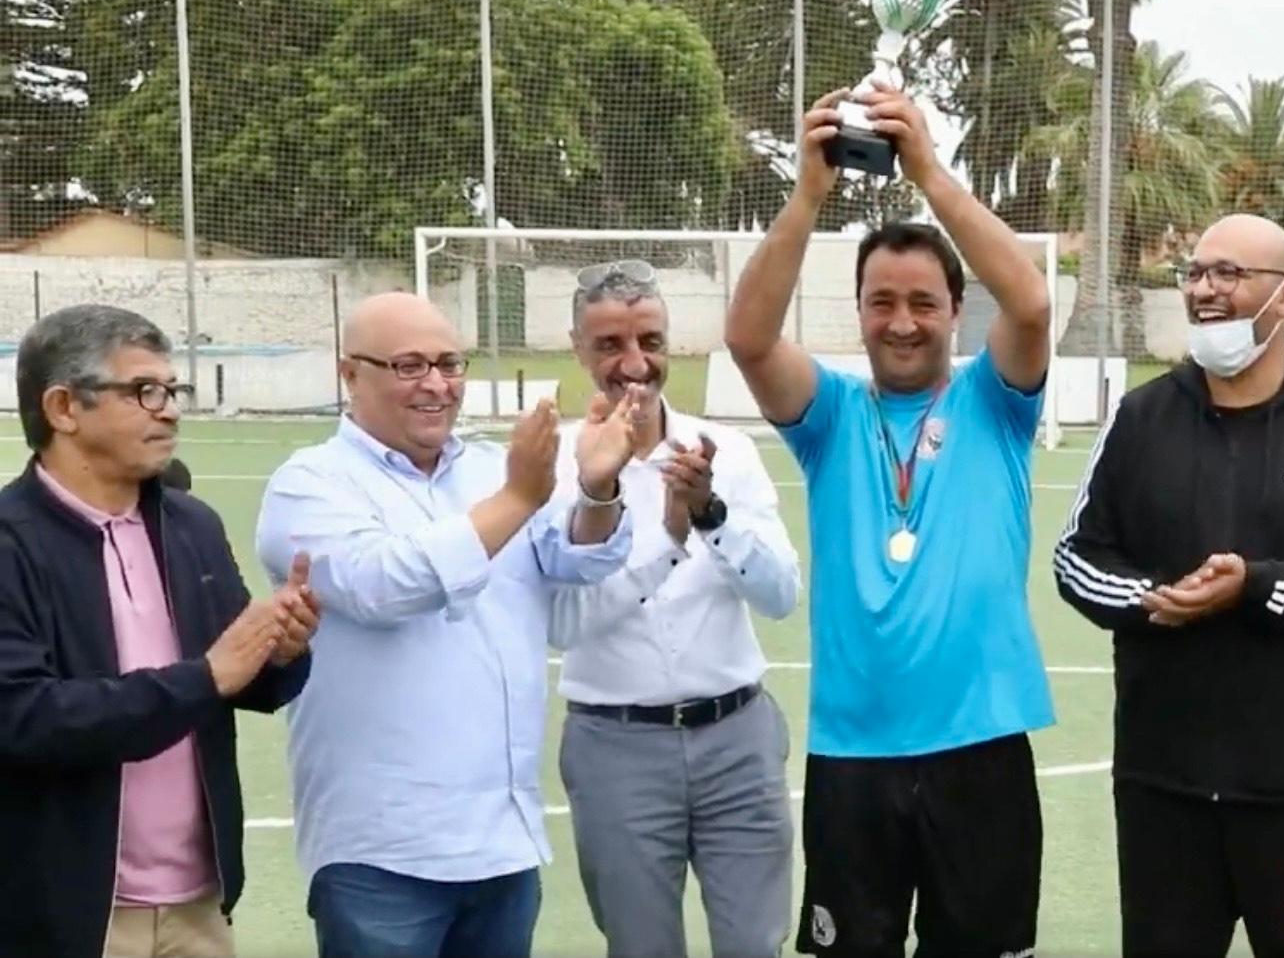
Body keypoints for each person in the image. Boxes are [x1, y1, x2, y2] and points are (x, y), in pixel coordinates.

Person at [724, 82, 1055, 957]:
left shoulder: (995, 403)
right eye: (882, 301)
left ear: (953, 312)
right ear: (859, 311)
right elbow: (751, 339)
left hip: (981, 747)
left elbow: (1028, 304)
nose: (901, 322)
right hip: (855, 753)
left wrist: (929, 174)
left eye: (922, 302)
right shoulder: (829, 414)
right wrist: (806, 197)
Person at [1054, 214, 1284, 958]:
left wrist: (1256, 586)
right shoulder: (1142, 415)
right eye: (1196, 272)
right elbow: (1076, 555)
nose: (1206, 290)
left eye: (1229, 273)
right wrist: (1149, 598)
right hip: (1163, 783)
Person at [253, 291, 640, 958]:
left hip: (501, 842)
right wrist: (520, 496)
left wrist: (599, 489)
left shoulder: (491, 468)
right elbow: (386, 583)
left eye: (449, 363)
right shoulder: (309, 484)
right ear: (351, 374)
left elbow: (578, 559)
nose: (435, 384)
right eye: (408, 365)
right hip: (381, 851)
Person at [0, 304, 316, 958]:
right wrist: (203, 678)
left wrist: (282, 648)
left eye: (171, 390)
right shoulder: (9, 542)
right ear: (63, 407)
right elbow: (23, 715)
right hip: (66, 911)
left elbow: (240, 679)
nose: (168, 408)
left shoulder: (190, 524)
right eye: (143, 390)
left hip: (197, 904)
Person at [551, 260, 803, 958]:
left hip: (737, 736)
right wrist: (666, 537)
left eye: (650, 341)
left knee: (755, 945)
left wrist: (712, 516)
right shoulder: (558, 467)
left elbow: (781, 594)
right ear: (579, 349)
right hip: (615, 747)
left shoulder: (728, 452)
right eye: (610, 345)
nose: (635, 363)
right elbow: (561, 622)